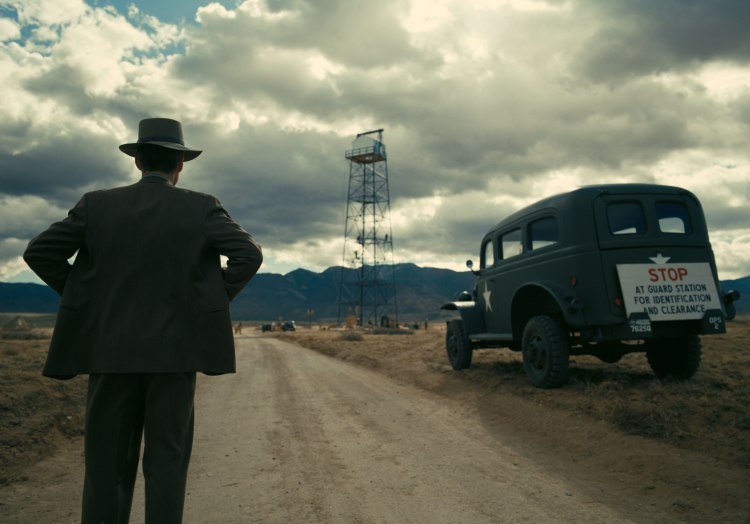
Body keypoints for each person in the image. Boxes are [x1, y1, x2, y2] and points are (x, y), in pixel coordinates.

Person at [23, 117, 263, 523]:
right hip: (175, 359)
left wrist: (89, 299)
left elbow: (39, 252)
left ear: (137, 161)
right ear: (180, 164)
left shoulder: (95, 205)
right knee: (167, 465)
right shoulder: (202, 207)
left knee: (106, 469)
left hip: (108, 355)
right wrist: (203, 301)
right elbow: (248, 254)